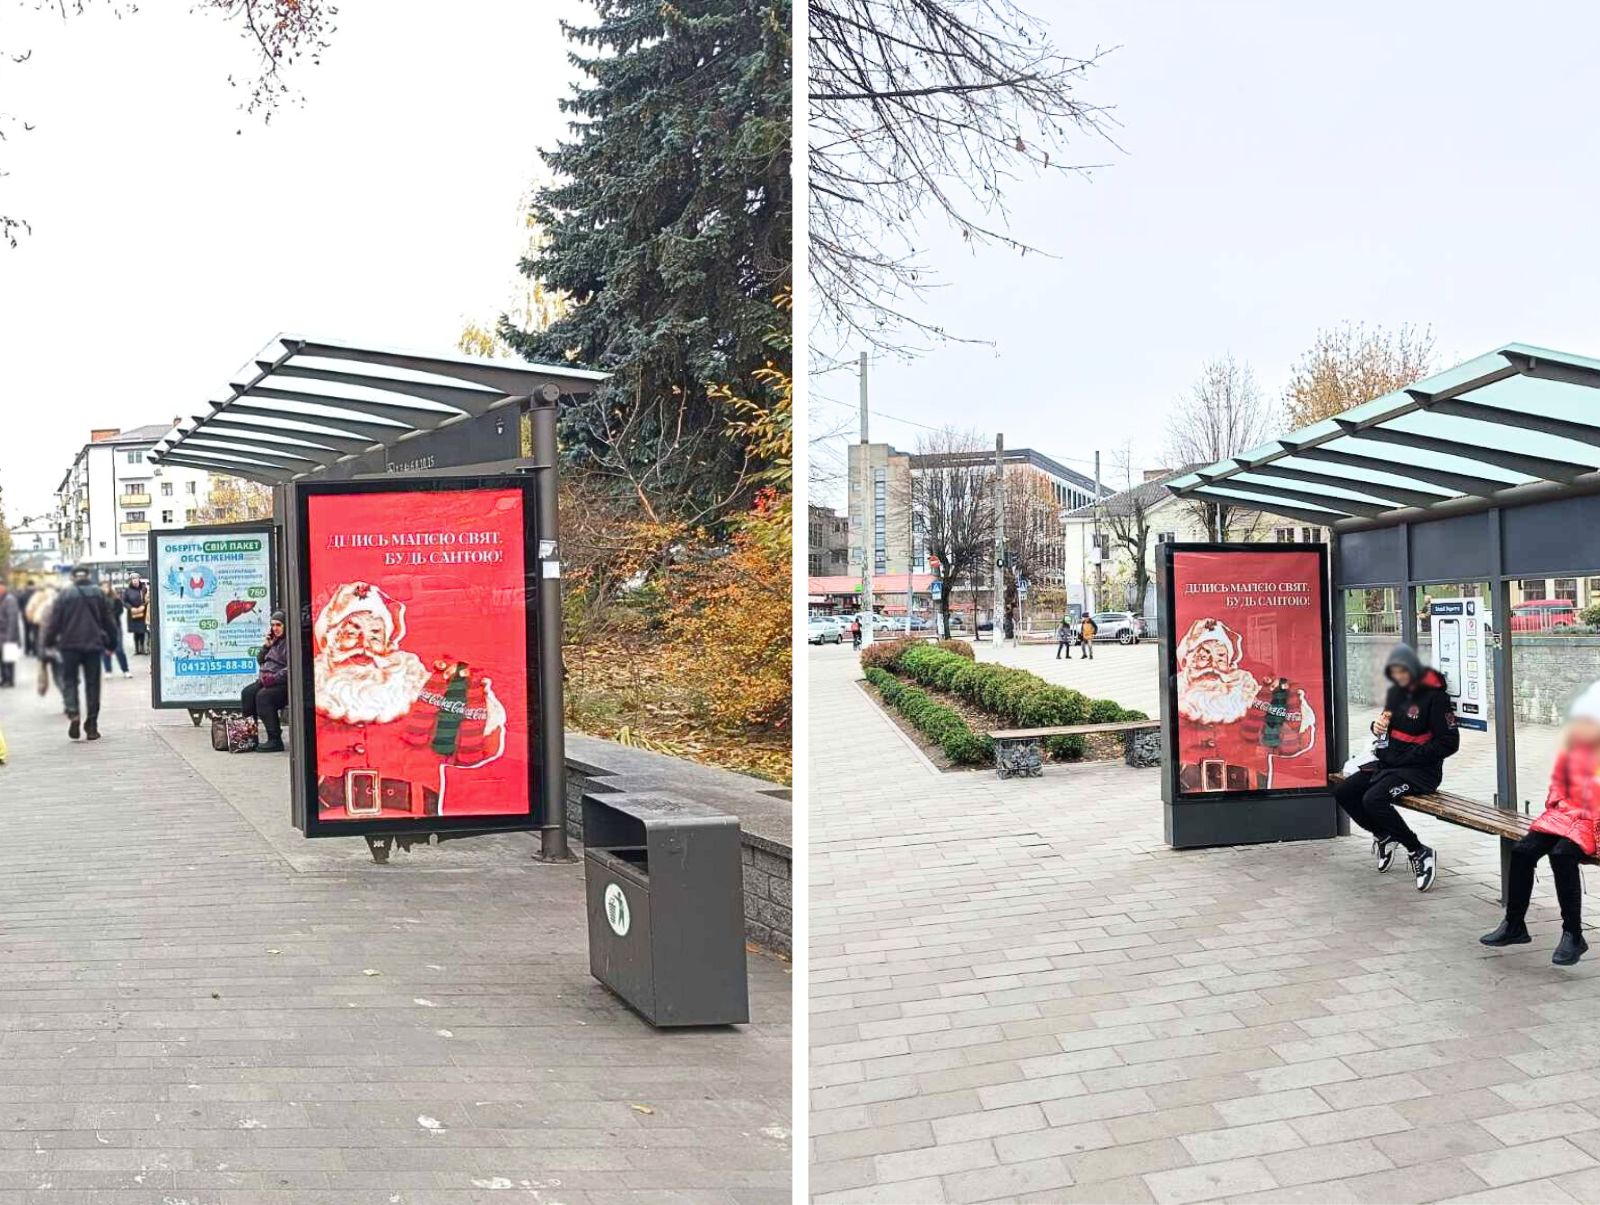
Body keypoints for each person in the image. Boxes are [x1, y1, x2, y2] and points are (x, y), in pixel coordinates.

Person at [1481, 683, 1600, 965]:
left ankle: (1573, 934)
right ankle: (1514, 924)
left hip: (1594, 820)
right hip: (1566, 814)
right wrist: (1560, 805)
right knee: (1523, 850)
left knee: (1562, 855)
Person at [1334, 644, 1457, 892]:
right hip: (1389, 764)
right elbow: (1385, 731)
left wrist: (1410, 756)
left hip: (1421, 772)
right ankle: (1384, 835)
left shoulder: (1435, 698)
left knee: (1373, 800)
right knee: (1345, 791)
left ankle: (1419, 851)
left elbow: (1449, 743)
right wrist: (1376, 727)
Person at [42, 565, 118, 741]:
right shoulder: (98, 593)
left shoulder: (64, 595)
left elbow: (54, 622)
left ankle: (74, 713)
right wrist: (112, 643)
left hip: (69, 646)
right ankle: (91, 726)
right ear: (88, 576)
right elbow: (108, 620)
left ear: (73, 577)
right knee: (93, 685)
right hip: (93, 645)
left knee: (70, 681)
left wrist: (49, 642)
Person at [241, 611, 290, 752]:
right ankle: (250, 735)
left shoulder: (289, 643)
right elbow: (260, 660)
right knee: (248, 693)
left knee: (263, 697)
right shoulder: (275, 642)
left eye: (279, 625)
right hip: (266, 680)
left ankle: (274, 739)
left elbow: (291, 667)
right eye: (273, 625)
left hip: (282, 684)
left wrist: (274, 678)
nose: (275, 628)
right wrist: (266, 646)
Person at [100, 583, 131, 678]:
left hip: (115, 626)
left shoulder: (116, 599)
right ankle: (108, 671)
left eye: (107, 587)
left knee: (119, 649)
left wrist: (110, 616)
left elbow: (120, 611)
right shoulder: (98, 600)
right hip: (104, 627)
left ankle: (125, 670)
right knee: (105, 649)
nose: (105, 589)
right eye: (103, 587)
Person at [123, 575, 149, 655]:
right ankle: (136, 649)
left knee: (142, 631)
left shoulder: (143, 589)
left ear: (138, 579)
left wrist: (143, 606)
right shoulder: (128, 590)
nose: (134, 581)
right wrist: (130, 608)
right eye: (133, 579)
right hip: (133, 614)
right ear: (131, 580)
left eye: (136, 579)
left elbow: (147, 599)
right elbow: (124, 601)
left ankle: (143, 648)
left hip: (142, 613)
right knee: (136, 632)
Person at [0, 582, 20, 688]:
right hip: (2, 635)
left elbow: (13, 620)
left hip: (8, 636)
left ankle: (9, 680)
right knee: (2, 660)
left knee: (9, 660)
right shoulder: (3, 599)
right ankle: (4, 679)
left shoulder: (10, 599)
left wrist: (10, 638)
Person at [17, 579, 37, 657]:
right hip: (34, 616)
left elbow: (19, 605)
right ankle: (35, 650)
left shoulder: (23, 594)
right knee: (35, 633)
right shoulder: (35, 594)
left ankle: (27, 650)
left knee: (26, 632)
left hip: (25, 616)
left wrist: (23, 612)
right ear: (33, 585)